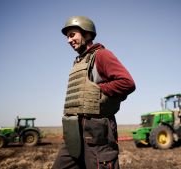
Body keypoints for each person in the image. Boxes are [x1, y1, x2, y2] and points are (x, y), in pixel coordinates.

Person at [52, 16, 136, 169]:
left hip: (97, 131)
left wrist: (97, 91)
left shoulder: (102, 55)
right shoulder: (79, 62)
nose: (68, 40)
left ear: (87, 33)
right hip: (74, 133)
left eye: (72, 35)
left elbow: (127, 82)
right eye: (67, 37)